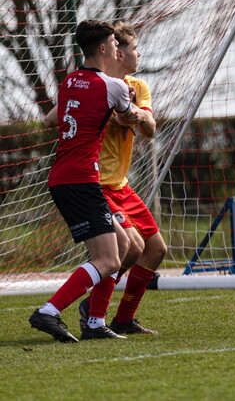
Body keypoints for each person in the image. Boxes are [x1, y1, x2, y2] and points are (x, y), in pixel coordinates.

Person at [29, 20, 144, 343]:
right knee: (108, 259)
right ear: (105, 49)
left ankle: (94, 321)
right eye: (115, 43)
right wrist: (133, 105)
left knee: (123, 246)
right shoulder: (114, 86)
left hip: (63, 177)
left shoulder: (69, 81)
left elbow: (51, 119)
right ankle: (49, 311)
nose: (120, 49)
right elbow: (127, 116)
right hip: (82, 179)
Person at [79, 21, 165, 336]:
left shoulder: (138, 86)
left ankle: (123, 319)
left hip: (122, 185)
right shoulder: (94, 84)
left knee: (155, 250)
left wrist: (138, 115)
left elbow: (150, 128)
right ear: (118, 52)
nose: (137, 53)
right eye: (134, 48)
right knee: (127, 249)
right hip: (97, 184)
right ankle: (94, 314)